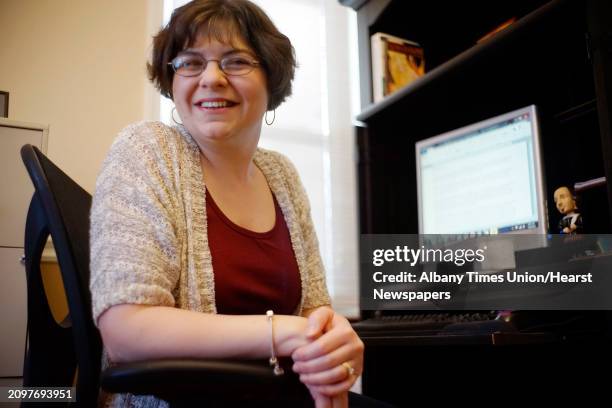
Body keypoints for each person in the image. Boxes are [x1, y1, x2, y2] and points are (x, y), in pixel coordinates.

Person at [90, 1, 369, 407]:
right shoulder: (148, 151)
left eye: (236, 61)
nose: (212, 78)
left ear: (271, 78)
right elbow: (126, 331)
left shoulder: (282, 175)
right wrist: (289, 333)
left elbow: (314, 310)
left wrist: (335, 337)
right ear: (172, 80)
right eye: (190, 62)